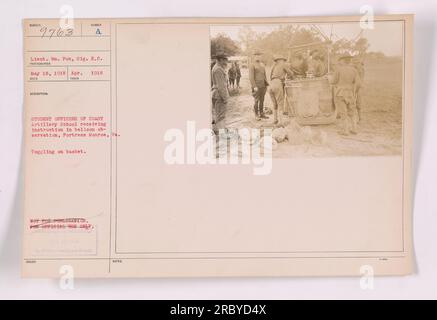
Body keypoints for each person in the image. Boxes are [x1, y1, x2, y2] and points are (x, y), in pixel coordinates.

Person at [332, 53, 361, 135]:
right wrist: (354, 92)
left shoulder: (339, 70)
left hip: (340, 93)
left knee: (343, 112)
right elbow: (359, 83)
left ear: (343, 61)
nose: (340, 62)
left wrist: (330, 79)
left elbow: (333, 81)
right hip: (350, 93)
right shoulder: (354, 70)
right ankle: (354, 129)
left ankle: (345, 130)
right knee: (352, 111)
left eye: (340, 60)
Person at [268, 54, 294, 124]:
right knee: (280, 103)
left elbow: (270, 76)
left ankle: (275, 119)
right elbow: (290, 73)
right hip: (277, 83)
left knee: (275, 103)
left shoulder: (274, 66)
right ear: (282, 60)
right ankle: (281, 122)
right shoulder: (283, 65)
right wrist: (292, 77)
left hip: (271, 84)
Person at [211, 52, 229, 131]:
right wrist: (225, 98)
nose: (226, 62)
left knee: (217, 114)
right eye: (224, 59)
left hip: (217, 94)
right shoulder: (218, 69)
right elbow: (221, 86)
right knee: (221, 115)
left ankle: (216, 130)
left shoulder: (218, 67)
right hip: (219, 95)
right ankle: (222, 133)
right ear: (220, 60)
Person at [249, 52, 269, 120]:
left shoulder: (262, 65)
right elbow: (251, 77)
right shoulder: (252, 65)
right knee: (256, 100)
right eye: (256, 55)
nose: (258, 57)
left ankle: (262, 113)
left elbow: (264, 75)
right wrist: (254, 86)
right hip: (256, 86)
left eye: (259, 55)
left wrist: (266, 85)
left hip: (263, 85)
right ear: (254, 56)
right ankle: (256, 115)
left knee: (262, 100)